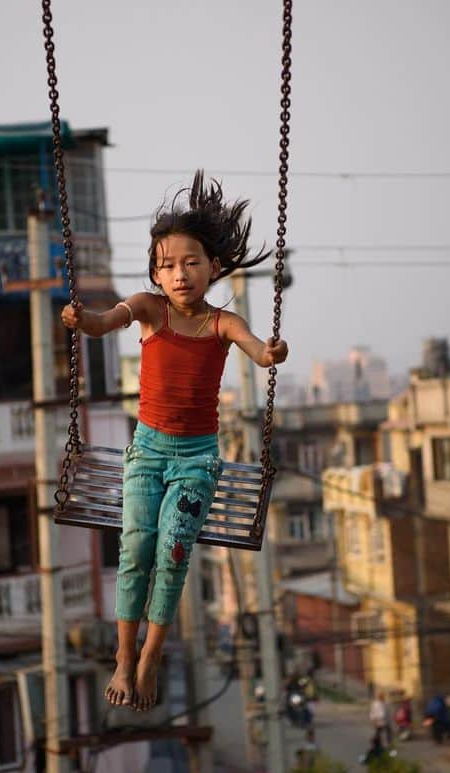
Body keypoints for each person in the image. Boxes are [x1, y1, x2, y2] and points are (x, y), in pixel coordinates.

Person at [62, 171, 289, 711]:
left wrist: (271, 353)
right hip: (147, 451)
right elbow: (103, 322)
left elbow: (257, 350)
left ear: (213, 267)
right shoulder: (147, 308)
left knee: (173, 550)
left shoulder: (220, 322)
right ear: (154, 274)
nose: (179, 273)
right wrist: (82, 319)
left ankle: (152, 655)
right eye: (166, 265)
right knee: (135, 547)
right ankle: (123, 655)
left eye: (191, 262)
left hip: (196, 459)